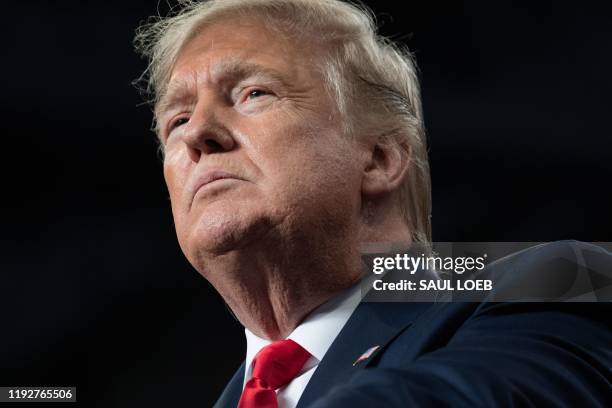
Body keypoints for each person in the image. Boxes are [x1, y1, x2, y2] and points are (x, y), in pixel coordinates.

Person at [134, 0, 611, 406]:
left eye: (253, 93)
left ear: (380, 159)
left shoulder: (559, 277)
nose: (197, 133)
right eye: (176, 120)